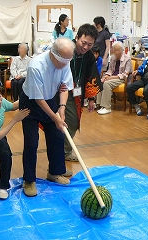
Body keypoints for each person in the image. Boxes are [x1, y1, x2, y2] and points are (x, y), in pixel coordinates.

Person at [19, 38, 75, 197]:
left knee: (57, 135)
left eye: (68, 61)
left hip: (50, 99)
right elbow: (38, 99)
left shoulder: (65, 61)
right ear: (53, 54)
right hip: (31, 101)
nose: (65, 64)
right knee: (31, 141)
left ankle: (55, 172)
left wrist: (62, 108)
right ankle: (29, 180)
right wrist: (55, 117)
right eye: (63, 61)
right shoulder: (36, 66)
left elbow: (64, 87)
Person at [64, 24, 101, 162]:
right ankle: (64, 152)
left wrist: (91, 98)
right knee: (69, 121)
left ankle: (65, 151)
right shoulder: (66, 50)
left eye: (89, 45)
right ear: (77, 37)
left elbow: (92, 76)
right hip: (60, 91)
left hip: (77, 93)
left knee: (73, 121)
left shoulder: (89, 56)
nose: (85, 47)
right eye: (83, 43)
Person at [97, 41, 132, 115]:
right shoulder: (113, 58)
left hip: (122, 79)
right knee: (101, 81)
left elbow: (125, 74)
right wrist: (106, 75)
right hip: (112, 77)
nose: (114, 52)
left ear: (121, 50)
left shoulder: (127, 59)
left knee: (106, 84)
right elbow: (110, 70)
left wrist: (112, 77)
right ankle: (99, 104)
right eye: (113, 49)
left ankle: (107, 107)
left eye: (116, 50)